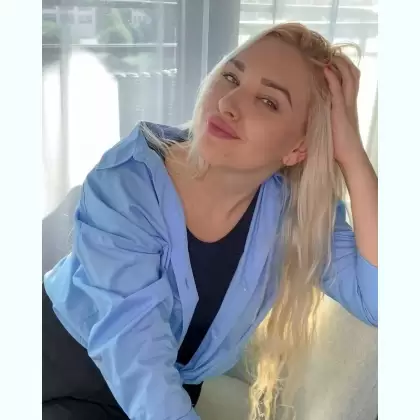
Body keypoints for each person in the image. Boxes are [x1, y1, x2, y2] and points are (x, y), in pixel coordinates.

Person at [43, 22, 378, 420]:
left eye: (268, 101)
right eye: (231, 77)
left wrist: (352, 154)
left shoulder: (291, 211)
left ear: (297, 148)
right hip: (64, 374)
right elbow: (135, 355)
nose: (229, 103)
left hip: (168, 393)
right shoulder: (124, 186)